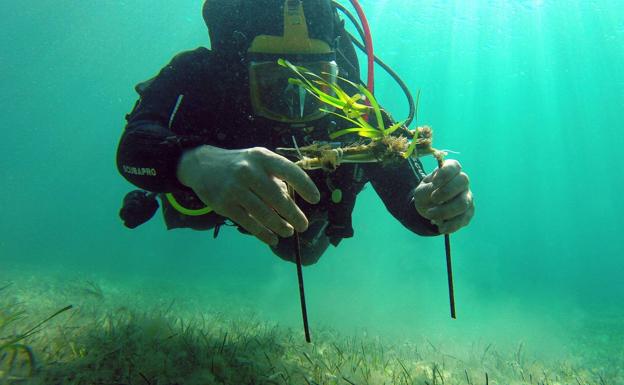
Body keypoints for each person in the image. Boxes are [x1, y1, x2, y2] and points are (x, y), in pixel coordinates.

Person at [116, 0, 474, 266]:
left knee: (301, 250)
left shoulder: (353, 107)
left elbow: (411, 199)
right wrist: (191, 161)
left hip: (300, 223)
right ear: (241, 73)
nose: (297, 104)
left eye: (318, 82)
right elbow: (134, 146)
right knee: (189, 211)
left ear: (336, 75)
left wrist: (434, 208)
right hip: (204, 197)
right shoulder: (199, 74)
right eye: (276, 82)